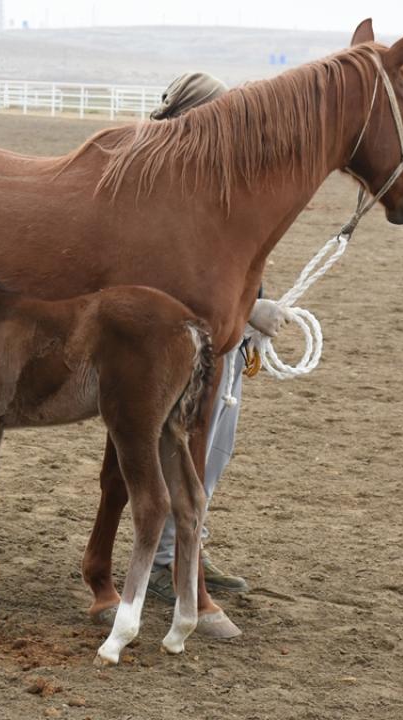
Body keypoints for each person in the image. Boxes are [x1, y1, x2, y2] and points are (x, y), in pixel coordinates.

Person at [143, 73, 292, 603]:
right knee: (190, 450)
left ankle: (188, 547)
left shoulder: (209, 182)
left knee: (214, 451)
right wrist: (252, 311)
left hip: (225, 339)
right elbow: (190, 280)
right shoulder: (173, 190)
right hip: (196, 345)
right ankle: (167, 560)